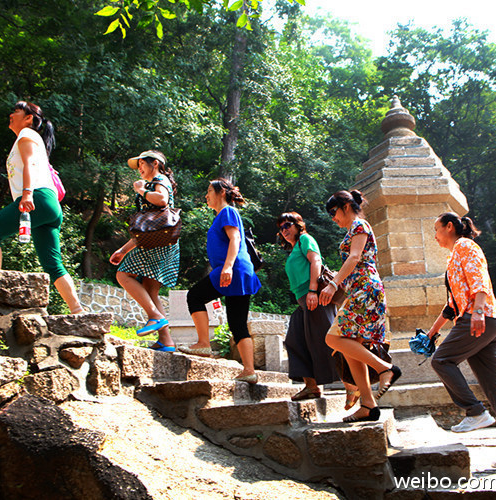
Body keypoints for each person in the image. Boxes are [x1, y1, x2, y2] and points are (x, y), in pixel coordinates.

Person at [426, 212, 496, 468]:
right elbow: (452, 306)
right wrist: (432, 332)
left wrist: (478, 311)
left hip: (479, 319)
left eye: (437, 229)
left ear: (449, 227)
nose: (435, 236)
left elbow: (479, 278)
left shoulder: (465, 246)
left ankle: (475, 412)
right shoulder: (454, 256)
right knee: (495, 388)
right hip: (486, 321)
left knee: (442, 361)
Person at [0, 101, 83, 314]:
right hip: (50, 205)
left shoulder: (26, 135)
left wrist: (27, 193)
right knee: (53, 264)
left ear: (28, 118)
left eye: (16, 111)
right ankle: (77, 309)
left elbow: (29, 164)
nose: (11, 114)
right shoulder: (32, 138)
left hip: (36, 197)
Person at [319, 190, 401, 422]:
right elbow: (355, 261)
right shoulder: (353, 229)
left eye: (334, 212)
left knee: (332, 339)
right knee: (349, 346)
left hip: (365, 289)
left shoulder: (359, 225)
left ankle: (386, 368)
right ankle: (368, 404)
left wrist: (334, 284)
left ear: (346, 206)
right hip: (360, 289)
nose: (332, 218)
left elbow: (355, 258)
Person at [179, 179, 261, 383]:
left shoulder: (227, 212)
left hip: (233, 269)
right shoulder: (222, 215)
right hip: (238, 271)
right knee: (237, 323)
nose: (206, 195)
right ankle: (249, 370)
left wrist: (227, 266)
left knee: (195, 296)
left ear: (221, 192)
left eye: (209, 191)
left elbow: (235, 239)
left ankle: (203, 343)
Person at [109, 150, 180, 352]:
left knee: (123, 274)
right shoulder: (153, 182)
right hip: (162, 242)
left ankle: (154, 316)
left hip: (158, 244)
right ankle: (166, 341)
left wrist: (141, 190)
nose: (139, 168)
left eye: (142, 164)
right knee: (151, 290)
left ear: (155, 163)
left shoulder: (159, 180)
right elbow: (149, 227)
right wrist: (123, 250)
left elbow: (162, 200)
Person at [277, 212, 341, 401]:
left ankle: (353, 384)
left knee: (327, 341)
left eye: (287, 225)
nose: (284, 230)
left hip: (315, 297)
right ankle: (311, 387)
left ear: (298, 225)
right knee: (294, 340)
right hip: (304, 301)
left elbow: (316, 261)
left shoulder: (305, 239)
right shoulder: (294, 248)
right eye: (281, 228)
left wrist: (313, 290)